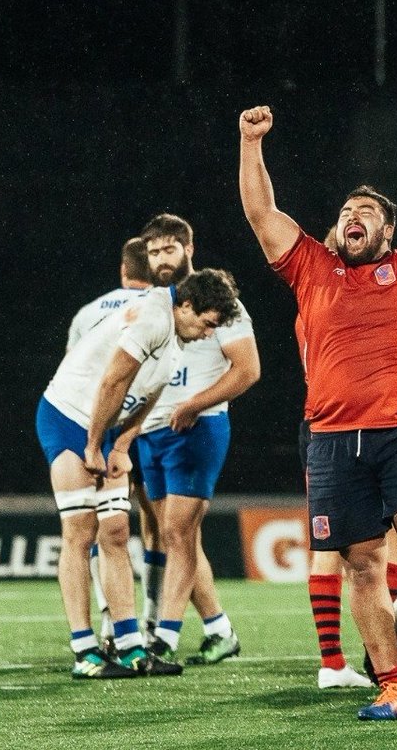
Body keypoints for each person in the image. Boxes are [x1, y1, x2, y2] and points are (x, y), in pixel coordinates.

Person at [238, 93, 397, 721]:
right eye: (347, 209)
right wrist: (251, 143)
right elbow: (260, 209)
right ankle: (392, 686)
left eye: (367, 212)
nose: (353, 215)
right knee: (362, 566)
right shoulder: (310, 268)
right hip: (329, 440)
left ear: (386, 230)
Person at [36, 268, 239, 678]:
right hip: (69, 418)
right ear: (186, 305)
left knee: (113, 533)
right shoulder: (152, 317)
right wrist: (94, 445)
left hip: (105, 427)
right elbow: (115, 378)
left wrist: (124, 444)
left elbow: (148, 394)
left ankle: (129, 645)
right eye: (206, 323)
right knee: (80, 534)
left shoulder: (176, 335)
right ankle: (84, 652)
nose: (207, 334)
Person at [136, 214, 260, 664]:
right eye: (153, 252)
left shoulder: (221, 302)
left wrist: (194, 404)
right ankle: (219, 629)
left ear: (189, 248)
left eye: (169, 249)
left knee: (177, 531)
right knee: (177, 537)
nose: (161, 259)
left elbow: (248, 370)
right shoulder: (155, 302)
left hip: (197, 428)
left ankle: (162, 637)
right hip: (153, 431)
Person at [65, 238, 151, 651]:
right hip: (145, 426)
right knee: (146, 528)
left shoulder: (88, 313)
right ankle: (148, 624)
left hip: (92, 427)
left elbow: (73, 374)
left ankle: (107, 623)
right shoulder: (165, 310)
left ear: (123, 269)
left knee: (92, 528)